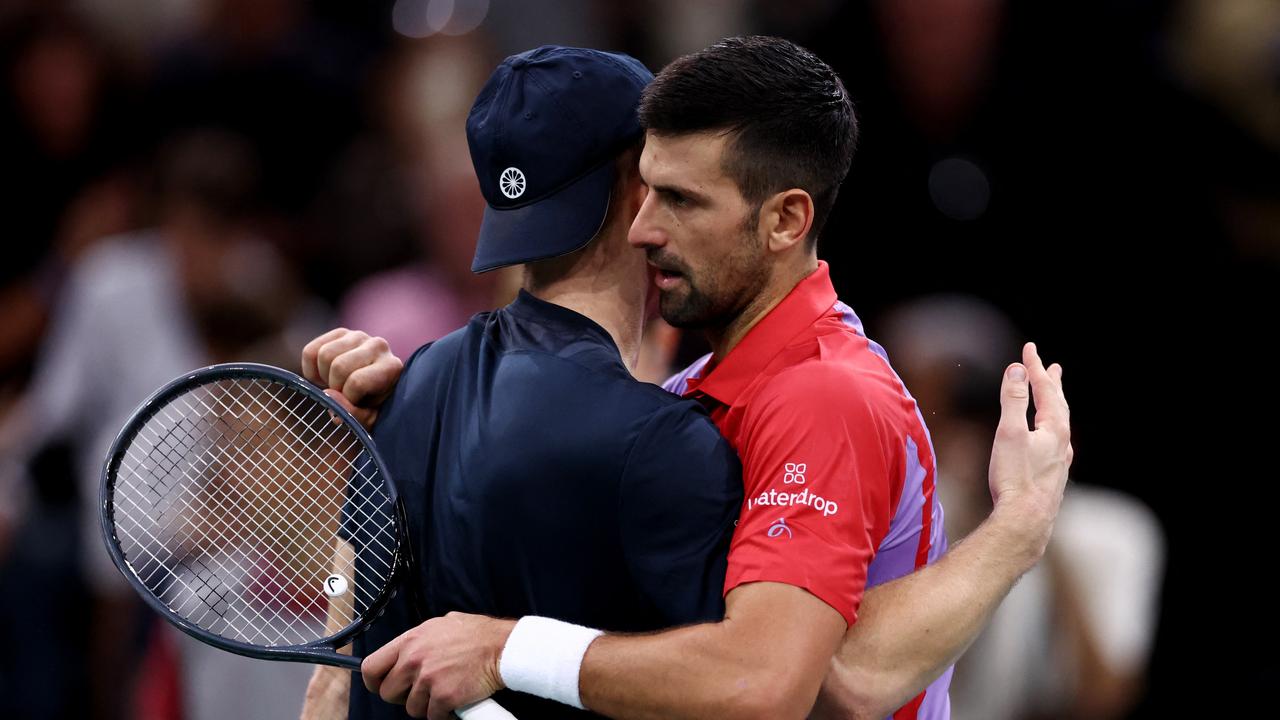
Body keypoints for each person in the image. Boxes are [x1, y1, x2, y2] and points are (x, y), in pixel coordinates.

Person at [303, 38, 1071, 720]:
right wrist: (395, 453)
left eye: (679, 199)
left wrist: (508, 648)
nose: (643, 227)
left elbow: (785, 683)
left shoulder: (825, 396)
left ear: (785, 221)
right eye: (645, 188)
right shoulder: (676, 395)